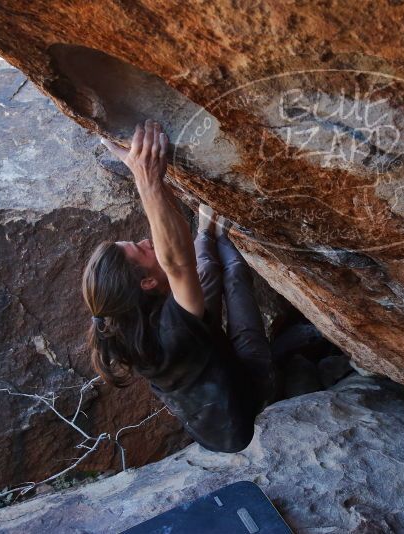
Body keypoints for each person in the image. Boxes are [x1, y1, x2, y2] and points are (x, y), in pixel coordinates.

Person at [81, 119, 277, 453]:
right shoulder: (171, 333)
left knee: (202, 276)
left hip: (209, 365)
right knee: (232, 276)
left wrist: (150, 176)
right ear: (147, 282)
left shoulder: (128, 323)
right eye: (141, 250)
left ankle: (207, 231)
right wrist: (146, 180)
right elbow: (178, 263)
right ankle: (223, 236)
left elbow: (179, 261)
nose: (145, 240)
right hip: (244, 405)